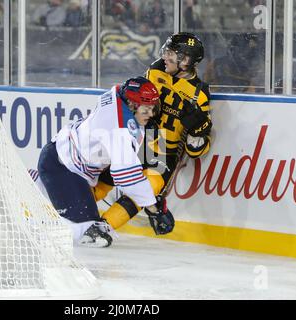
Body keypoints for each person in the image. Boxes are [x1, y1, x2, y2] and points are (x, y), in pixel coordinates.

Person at [98, 32, 212, 235]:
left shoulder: (200, 93)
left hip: (163, 153)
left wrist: (197, 129)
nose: (165, 56)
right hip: (138, 138)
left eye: (171, 53)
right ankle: (61, 215)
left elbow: (197, 150)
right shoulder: (156, 69)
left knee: (147, 188)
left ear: (185, 60)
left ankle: (101, 228)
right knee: (101, 181)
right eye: (166, 51)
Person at [38, 76, 170, 248]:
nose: (151, 114)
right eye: (146, 109)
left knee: (126, 168)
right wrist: (154, 209)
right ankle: (38, 192)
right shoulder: (119, 128)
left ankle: (48, 190)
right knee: (88, 233)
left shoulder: (118, 94)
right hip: (61, 168)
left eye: (153, 108)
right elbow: (127, 177)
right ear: (132, 105)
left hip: (68, 157)